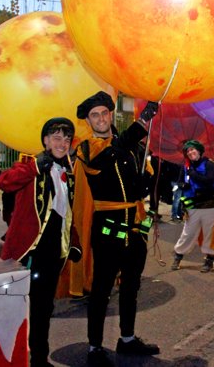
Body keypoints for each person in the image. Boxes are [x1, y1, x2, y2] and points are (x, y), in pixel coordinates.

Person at [70, 91, 160, 366]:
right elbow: (110, 155)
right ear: (88, 121)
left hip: (135, 226)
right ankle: (95, 347)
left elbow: (137, 180)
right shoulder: (87, 148)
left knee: (131, 286)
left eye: (104, 113)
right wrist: (143, 121)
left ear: (111, 115)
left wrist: (146, 178)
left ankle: (127, 339)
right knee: (101, 289)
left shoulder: (130, 147)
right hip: (108, 229)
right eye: (94, 115)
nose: (100, 118)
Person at [0, 118, 82, 367]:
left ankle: (39, 359)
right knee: (17, 310)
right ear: (45, 141)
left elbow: (67, 212)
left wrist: (74, 242)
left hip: (53, 252)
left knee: (43, 309)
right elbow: (5, 182)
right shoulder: (30, 165)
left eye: (66, 139)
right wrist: (36, 165)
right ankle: (10, 358)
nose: (62, 143)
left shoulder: (68, 171)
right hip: (28, 252)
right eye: (56, 137)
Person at [171, 140, 214, 272]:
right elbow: (180, 181)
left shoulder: (208, 164)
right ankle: (178, 256)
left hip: (210, 205)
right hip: (193, 206)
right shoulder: (186, 167)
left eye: (192, 149)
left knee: (209, 234)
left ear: (199, 151)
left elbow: (209, 180)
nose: (190, 152)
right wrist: (183, 185)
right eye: (188, 151)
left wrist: (194, 175)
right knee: (188, 233)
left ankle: (209, 261)